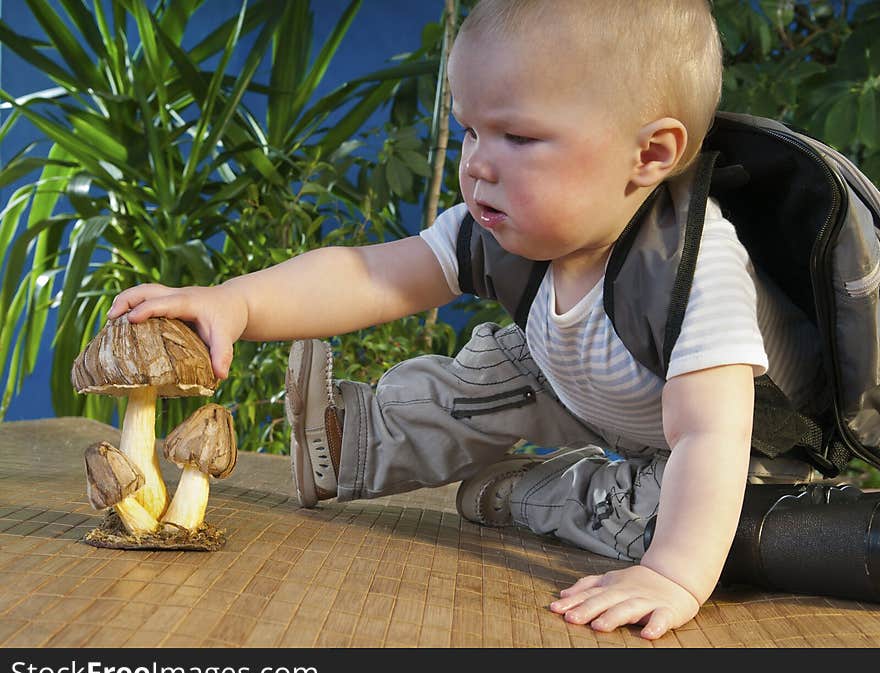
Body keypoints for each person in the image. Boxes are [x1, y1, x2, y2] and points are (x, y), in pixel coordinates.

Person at [108, 0, 822, 639]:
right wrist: (235, 301)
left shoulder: (693, 271)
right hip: (589, 390)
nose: (478, 165)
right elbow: (372, 273)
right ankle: (354, 445)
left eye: (517, 138)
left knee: (672, 514)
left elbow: (710, 432)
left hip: (719, 451)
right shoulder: (500, 228)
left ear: (649, 155)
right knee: (499, 365)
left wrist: (674, 575)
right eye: (470, 131)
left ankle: (550, 495)